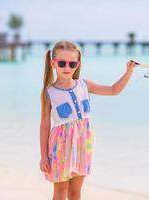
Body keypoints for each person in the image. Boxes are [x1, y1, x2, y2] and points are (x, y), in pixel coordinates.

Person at [39, 40, 136, 200]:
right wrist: (43, 155)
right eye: (62, 63)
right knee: (60, 192)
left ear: (78, 64)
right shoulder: (49, 92)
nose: (67, 68)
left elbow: (113, 90)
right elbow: (44, 124)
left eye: (72, 64)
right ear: (53, 63)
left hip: (84, 143)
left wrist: (128, 72)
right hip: (61, 145)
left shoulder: (84, 85)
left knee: (76, 192)